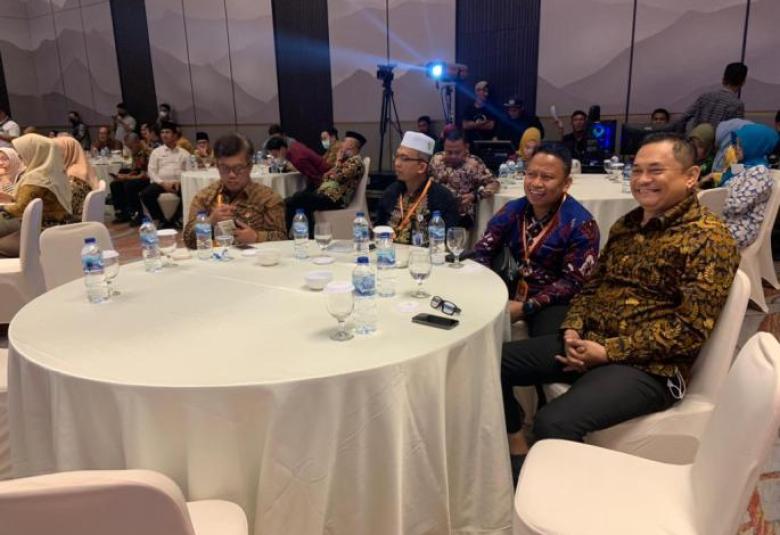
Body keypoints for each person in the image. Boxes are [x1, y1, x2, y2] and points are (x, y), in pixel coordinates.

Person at [501, 133, 740, 483]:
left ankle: (570, 498)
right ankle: (517, 445)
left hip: (648, 369)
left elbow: (688, 332)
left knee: (554, 421)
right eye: (637, 170)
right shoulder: (627, 224)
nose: (642, 180)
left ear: (690, 176)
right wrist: (573, 328)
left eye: (655, 170)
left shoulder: (710, 239)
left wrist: (607, 352)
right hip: (589, 342)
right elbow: (592, 285)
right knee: (494, 361)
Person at [474, 144, 600, 335]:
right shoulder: (512, 210)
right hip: (506, 287)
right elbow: (482, 250)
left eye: (547, 177)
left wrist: (527, 307)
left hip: (552, 301)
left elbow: (573, 282)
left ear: (566, 183)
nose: (536, 183)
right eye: (531, 174)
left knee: (550, 342)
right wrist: (488, 287)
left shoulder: (581, 224)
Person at [183, 133, 286, 248]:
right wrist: (209, 222)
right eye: (225, 168)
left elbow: (282, 238)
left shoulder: (268, 198)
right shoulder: (205, 197)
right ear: (217, 166)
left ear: (249, 166)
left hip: (256, 257)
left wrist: (256, 237)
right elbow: (188, 240)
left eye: (238, 168)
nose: (231, 175)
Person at [375, 131, 459, 245]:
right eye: (397, 157)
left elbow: (448, 242)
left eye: (404, 158)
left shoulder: (443, 198)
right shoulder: (391, 192)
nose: (397, 163)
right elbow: (378, 230)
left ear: (421, 167)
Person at [0, 134, 73, 257]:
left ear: (35, 153)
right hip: (53, 226)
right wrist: (11, 199)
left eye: (22, 154)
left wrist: (2, 208)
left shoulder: (36, 179)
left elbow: (19, 210)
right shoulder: (51, 172)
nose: (20, 157)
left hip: (41, 231)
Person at [284, 131, 366, 235]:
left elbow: (337, 177)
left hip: (335, 199)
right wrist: (335, 168)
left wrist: (337, 162)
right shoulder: (347, 160)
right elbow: (327, 175)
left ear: (351, 146)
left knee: (299, 198)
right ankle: (290, 233)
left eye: (344, 141)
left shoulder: (356, 162)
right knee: (291, 202)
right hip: (326, 195)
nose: (341, 144)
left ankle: (302, 235)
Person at [721, 124, 779, 249]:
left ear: (755, 145)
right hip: (727, 219)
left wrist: (709, 202)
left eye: (740, 144)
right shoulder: (745, 165)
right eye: (735, 143)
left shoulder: (760, 172)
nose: (735, 148)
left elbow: (737, 206)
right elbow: (724, 177)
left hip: (740, 227)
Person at [429, 128, 499, 228]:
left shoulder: (474, 163)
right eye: (449, 152)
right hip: (436, 213)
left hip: (461, 215)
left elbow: (494, 183)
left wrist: (475, 195)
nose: (453, 156)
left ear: (466, 147)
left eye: (457, 152)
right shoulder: (436, 160)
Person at [140, 121, 189, 229]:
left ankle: (177, 218)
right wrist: (162, 183)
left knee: (188, 192)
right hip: (160, 183)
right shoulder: (156, 152)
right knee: (146, 194)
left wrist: (180, 181)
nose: (164, 135)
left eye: (167, 132)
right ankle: (161, 219)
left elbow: (189, 171)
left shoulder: (184, 153)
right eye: (162, 132)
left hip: (178, 183)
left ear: (175, 135)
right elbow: (151, 171)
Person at [675, 62, 748, 131]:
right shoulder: (737, 104)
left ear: (723, 79)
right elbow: (736, 131)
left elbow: (684, 117)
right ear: (743, 82)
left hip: (696, 138)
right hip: (717, 140)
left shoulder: (705, 96)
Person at [110, 133, 150, 225]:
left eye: (131, 147)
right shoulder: (136, 152)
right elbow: (135, 169)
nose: (130, 149)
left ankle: (138, 215)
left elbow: (143, 175)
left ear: (137, 142)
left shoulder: (145, 152)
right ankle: (122, 213)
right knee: (115, 184)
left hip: (148, 178)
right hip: (139, 174)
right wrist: (125, 175)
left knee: (129, 185)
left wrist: (126, 177)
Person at [53, 136, 98, 218]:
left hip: (73, 221)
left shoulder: (76, 178)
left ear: (68, 153)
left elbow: (68, 206)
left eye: (57, 152)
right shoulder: (81, 169)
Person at [266, 136, 330, 190]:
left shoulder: (297, 158)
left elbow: (315, 177)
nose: (276, 159)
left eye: (276, 155)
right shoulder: (294, 146)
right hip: (321, 175)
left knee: (296, 197)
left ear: (282, 149)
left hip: (326, 178)